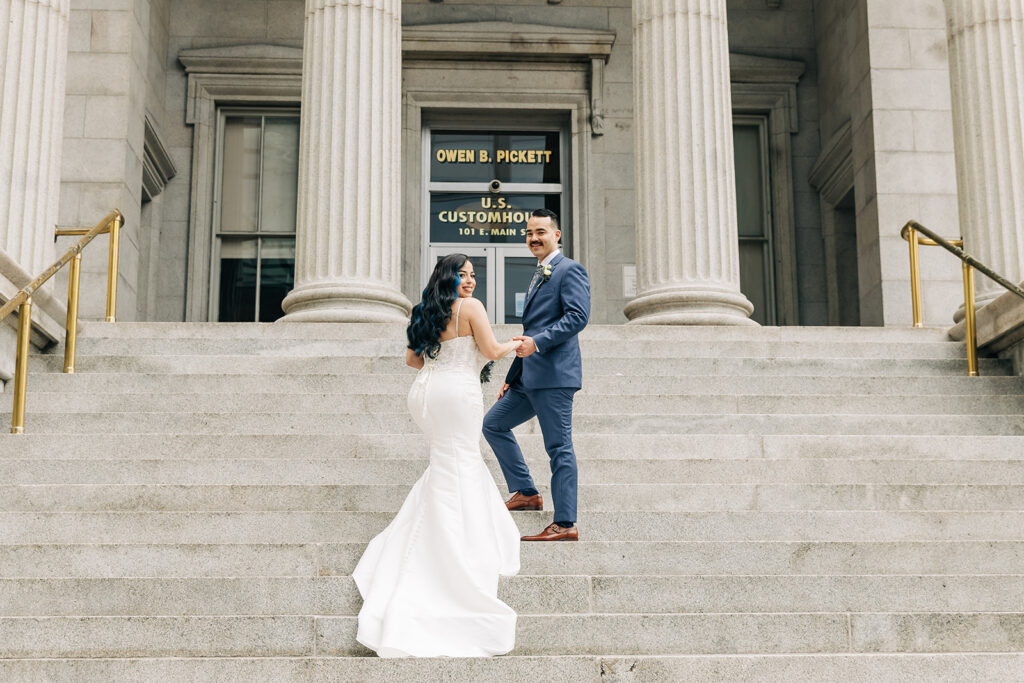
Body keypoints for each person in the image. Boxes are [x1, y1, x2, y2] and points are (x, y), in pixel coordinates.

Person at [352, 253, 523, 658]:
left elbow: (413, 359)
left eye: (472, 276)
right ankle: (452, 542)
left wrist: (443, 362)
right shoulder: (471, 308)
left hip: (426, 393)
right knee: (461, 459)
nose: (470, 281)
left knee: (448, 461)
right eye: (462, 275)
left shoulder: (424, 309)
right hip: (456, 394)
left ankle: (434, 528)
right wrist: (518, 344)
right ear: (448, 277)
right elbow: (493, 350)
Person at [483, 209, 591, 542]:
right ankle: (526, 492)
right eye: (529, 233)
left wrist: (539, 343)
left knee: (559, 447)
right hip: (528, 377)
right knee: (493, 424)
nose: (534, 238)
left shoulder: (569, 270)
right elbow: (530, 330)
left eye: (541, 232)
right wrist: (512, 375)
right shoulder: (537, 273)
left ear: (557, 235)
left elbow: (578, 317)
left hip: (556, 376)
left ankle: (565, 523)